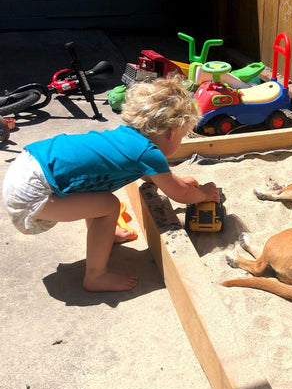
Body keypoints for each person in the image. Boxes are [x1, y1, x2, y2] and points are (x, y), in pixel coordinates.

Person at [3, 76, 219, 292]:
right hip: (32, 192)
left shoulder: (128, 137)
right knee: (108, 206)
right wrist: (204, 194)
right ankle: (96, 276)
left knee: (96, 194)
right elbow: (179, 195)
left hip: (29, 166)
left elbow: (150, 176)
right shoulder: (149, 153)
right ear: (172, 132)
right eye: (182, 137)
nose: (181, 141)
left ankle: (105, 234)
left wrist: (177, 181)